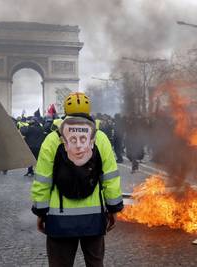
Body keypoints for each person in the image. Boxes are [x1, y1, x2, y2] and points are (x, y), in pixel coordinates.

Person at [31, 92, 123, 267]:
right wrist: (113, 209)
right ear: (88, 110)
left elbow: (43, 180)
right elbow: (110, 178)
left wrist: (41, 213)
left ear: (65, 110)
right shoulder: (100, 138)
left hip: (59, 219)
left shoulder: (52, 139)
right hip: (94, 218)